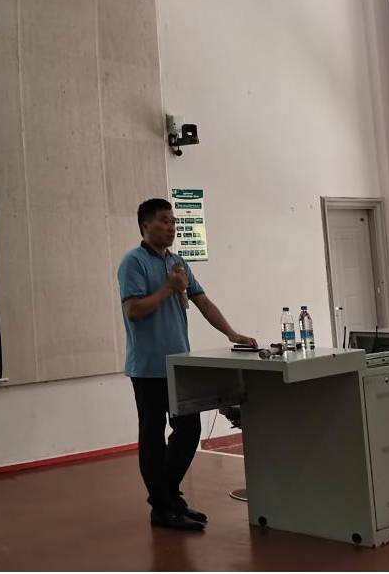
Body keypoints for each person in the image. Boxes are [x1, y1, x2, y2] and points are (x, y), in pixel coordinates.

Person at [117, 198, 257, 531]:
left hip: (179, 363)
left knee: (189, 430)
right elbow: (133, 310)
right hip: (149, 367)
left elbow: (203, 301)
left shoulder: (178, 262)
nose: (171, 227)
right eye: (164, 221)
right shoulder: (133, 262)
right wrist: (168, 288)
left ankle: (166, 497)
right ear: (145, 226)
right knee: (152, 436)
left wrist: (232, 333)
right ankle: (163, 507)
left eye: (173, 221)